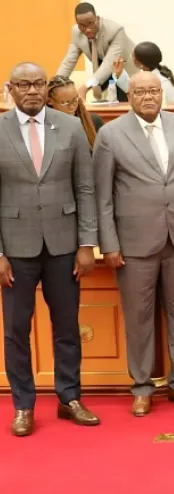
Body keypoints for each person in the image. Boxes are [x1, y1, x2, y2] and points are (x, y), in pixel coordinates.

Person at [92, 71, 174, 417]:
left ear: (162, 93)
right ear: (129, 95)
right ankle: (141, 387)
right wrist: (109, 243)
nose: (148, 97)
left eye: (154, 91)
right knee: (139, 319)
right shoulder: (110, 134)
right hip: (134, 242)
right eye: (140, 92)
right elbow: (103, 196)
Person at [0, 62, 100, 436]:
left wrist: (87, 242)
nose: (32, 91)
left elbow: (85, 188)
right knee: (15, 330)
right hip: (16, 249)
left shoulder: (71, 127)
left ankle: (69, 397)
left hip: (64, 245)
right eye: (23, 84)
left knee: (67, 327)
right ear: (10, 89)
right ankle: (23, 405)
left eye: (38, 84)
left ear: (46, 88)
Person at [56, 2, 137, 102]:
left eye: (90, 23)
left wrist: (85, 86)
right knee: (104, 102)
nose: (88, 29)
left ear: (97, 18)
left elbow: (109, 63)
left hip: (124, 69)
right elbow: (69, 61)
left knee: (124, 101)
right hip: (100, 68)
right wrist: (55, 84)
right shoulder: (76, 32)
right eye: (82, 25)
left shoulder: (115, 30)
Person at [112, 41, 174, 105]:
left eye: (133, 56)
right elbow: (133, 89)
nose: (131, 58)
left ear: (141, 64)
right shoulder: (145, 74)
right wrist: (119, 73)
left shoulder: (162, 82)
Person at [47, 75, 104, 150]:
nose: (72, 107)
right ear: (49, 101)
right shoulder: (45, 126)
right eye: (65, 103)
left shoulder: (94, 121)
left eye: (75, 100)